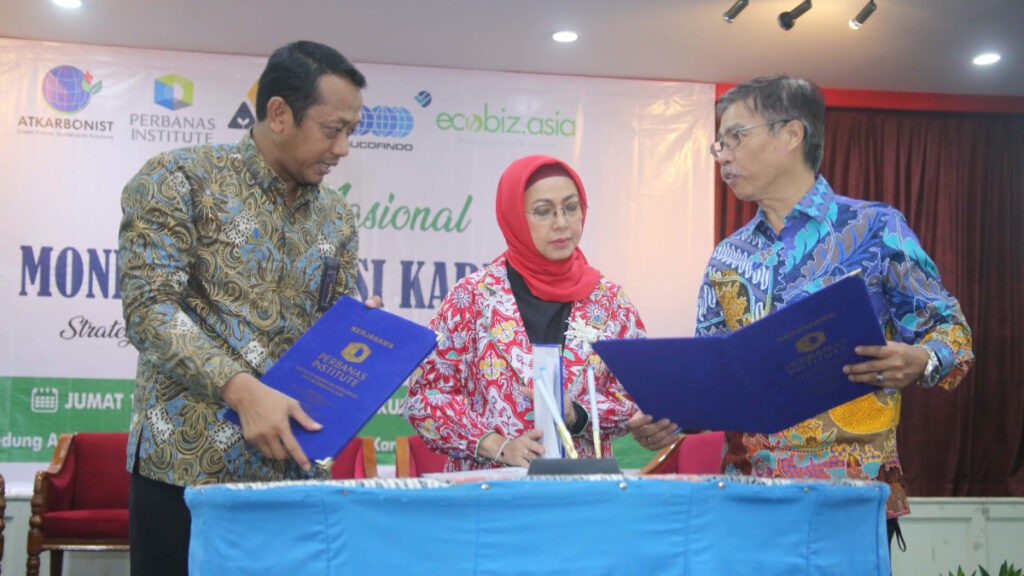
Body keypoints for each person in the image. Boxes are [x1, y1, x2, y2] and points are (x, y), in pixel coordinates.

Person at [629, 75, 974, 547]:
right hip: (747, 500)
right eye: (719, 144)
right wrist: (668, 419)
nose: (723, 155)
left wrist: (923, 359)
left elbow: (952, 331)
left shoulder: (876, 228)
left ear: (792, 134)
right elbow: (711, 380)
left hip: (851, 496)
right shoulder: (727, 258)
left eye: (736, 137)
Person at [118, 41, 376, 576]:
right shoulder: (179, 178)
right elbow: (150, 309)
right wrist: (242, 391)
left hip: (294, 477)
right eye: (333, 129)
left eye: (351, 131)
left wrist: (358, 330)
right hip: (186, 470)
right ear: (279, 113)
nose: (344, 148)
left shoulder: (336, 215)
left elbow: (327, 323)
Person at [401, 155, 646, 470]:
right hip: (489, 489)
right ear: (514, 216)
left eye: (571, 207)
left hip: (582, 490)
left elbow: (636, 395)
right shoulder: (472, 298)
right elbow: (425, 398)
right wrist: (498, 446)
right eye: (543, 211)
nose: (561, 222)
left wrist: (578, 413)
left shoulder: (611, 303)